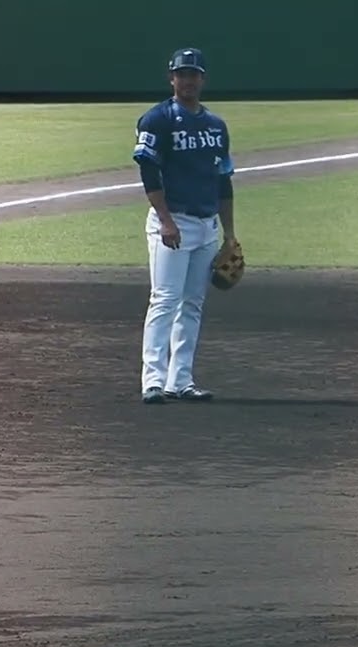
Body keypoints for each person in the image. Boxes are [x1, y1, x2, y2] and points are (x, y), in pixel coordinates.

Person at [132, 47, 238, 405]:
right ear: (171, 78)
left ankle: (180, 380)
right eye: (182, 74)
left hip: (207, 227)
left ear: (202, 79)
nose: (188, 80)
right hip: (172, 222)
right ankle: (152, 381)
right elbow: (148, 172)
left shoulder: (216, 126)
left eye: (193, 74)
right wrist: (165, 220)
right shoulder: (156, 120)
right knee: (164, 300)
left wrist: (229, 234)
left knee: (192, 303)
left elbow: (223, 181)